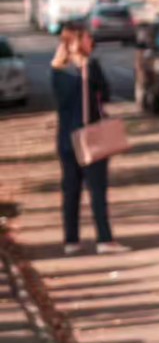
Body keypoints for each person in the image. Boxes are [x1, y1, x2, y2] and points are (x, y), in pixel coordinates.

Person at [51, 22, 129, 256]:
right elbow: (103, 95)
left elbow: (62, 103)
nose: (91, 42)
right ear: (76, 41)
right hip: (91, 137)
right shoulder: (90, 68)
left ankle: (71, 241)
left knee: (71, 191)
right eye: (87, 38)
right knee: (97, 190)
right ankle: (104, 239)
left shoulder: (56, 70)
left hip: (66, 138)